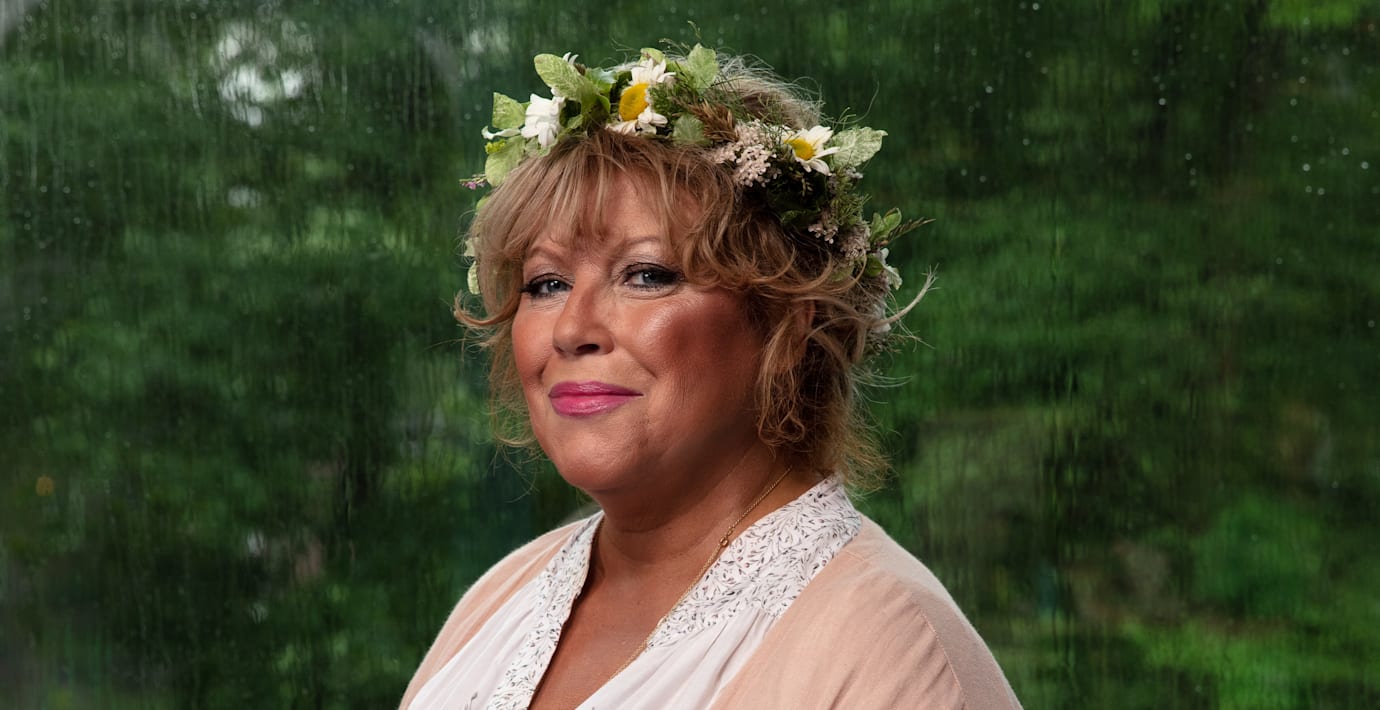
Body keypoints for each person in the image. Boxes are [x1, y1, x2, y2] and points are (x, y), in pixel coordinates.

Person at [401, 44, 1021, 709]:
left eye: (646, 275)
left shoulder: (894, 648)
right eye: (546, 283)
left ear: (789, 320)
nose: (571, 329)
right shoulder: (500, 601)